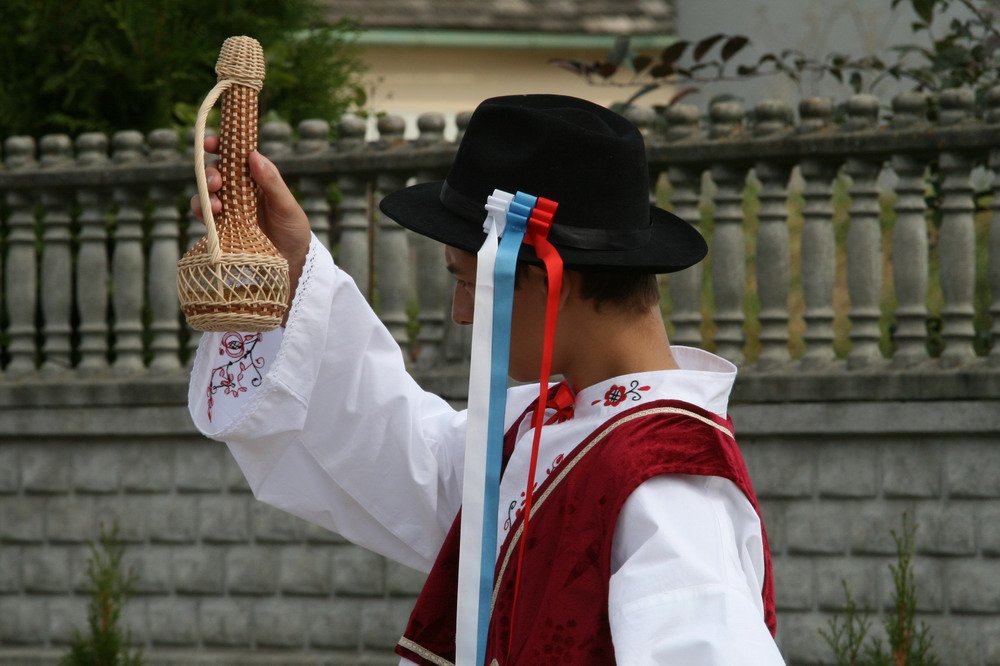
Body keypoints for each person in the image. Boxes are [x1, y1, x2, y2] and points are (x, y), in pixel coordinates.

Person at [188, 94, 784, 665]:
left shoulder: (670, 484)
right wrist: (292, 268)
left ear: (552, 282)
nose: (462, 313)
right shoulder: (560, 426)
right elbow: (403, 455)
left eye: (470, 281)